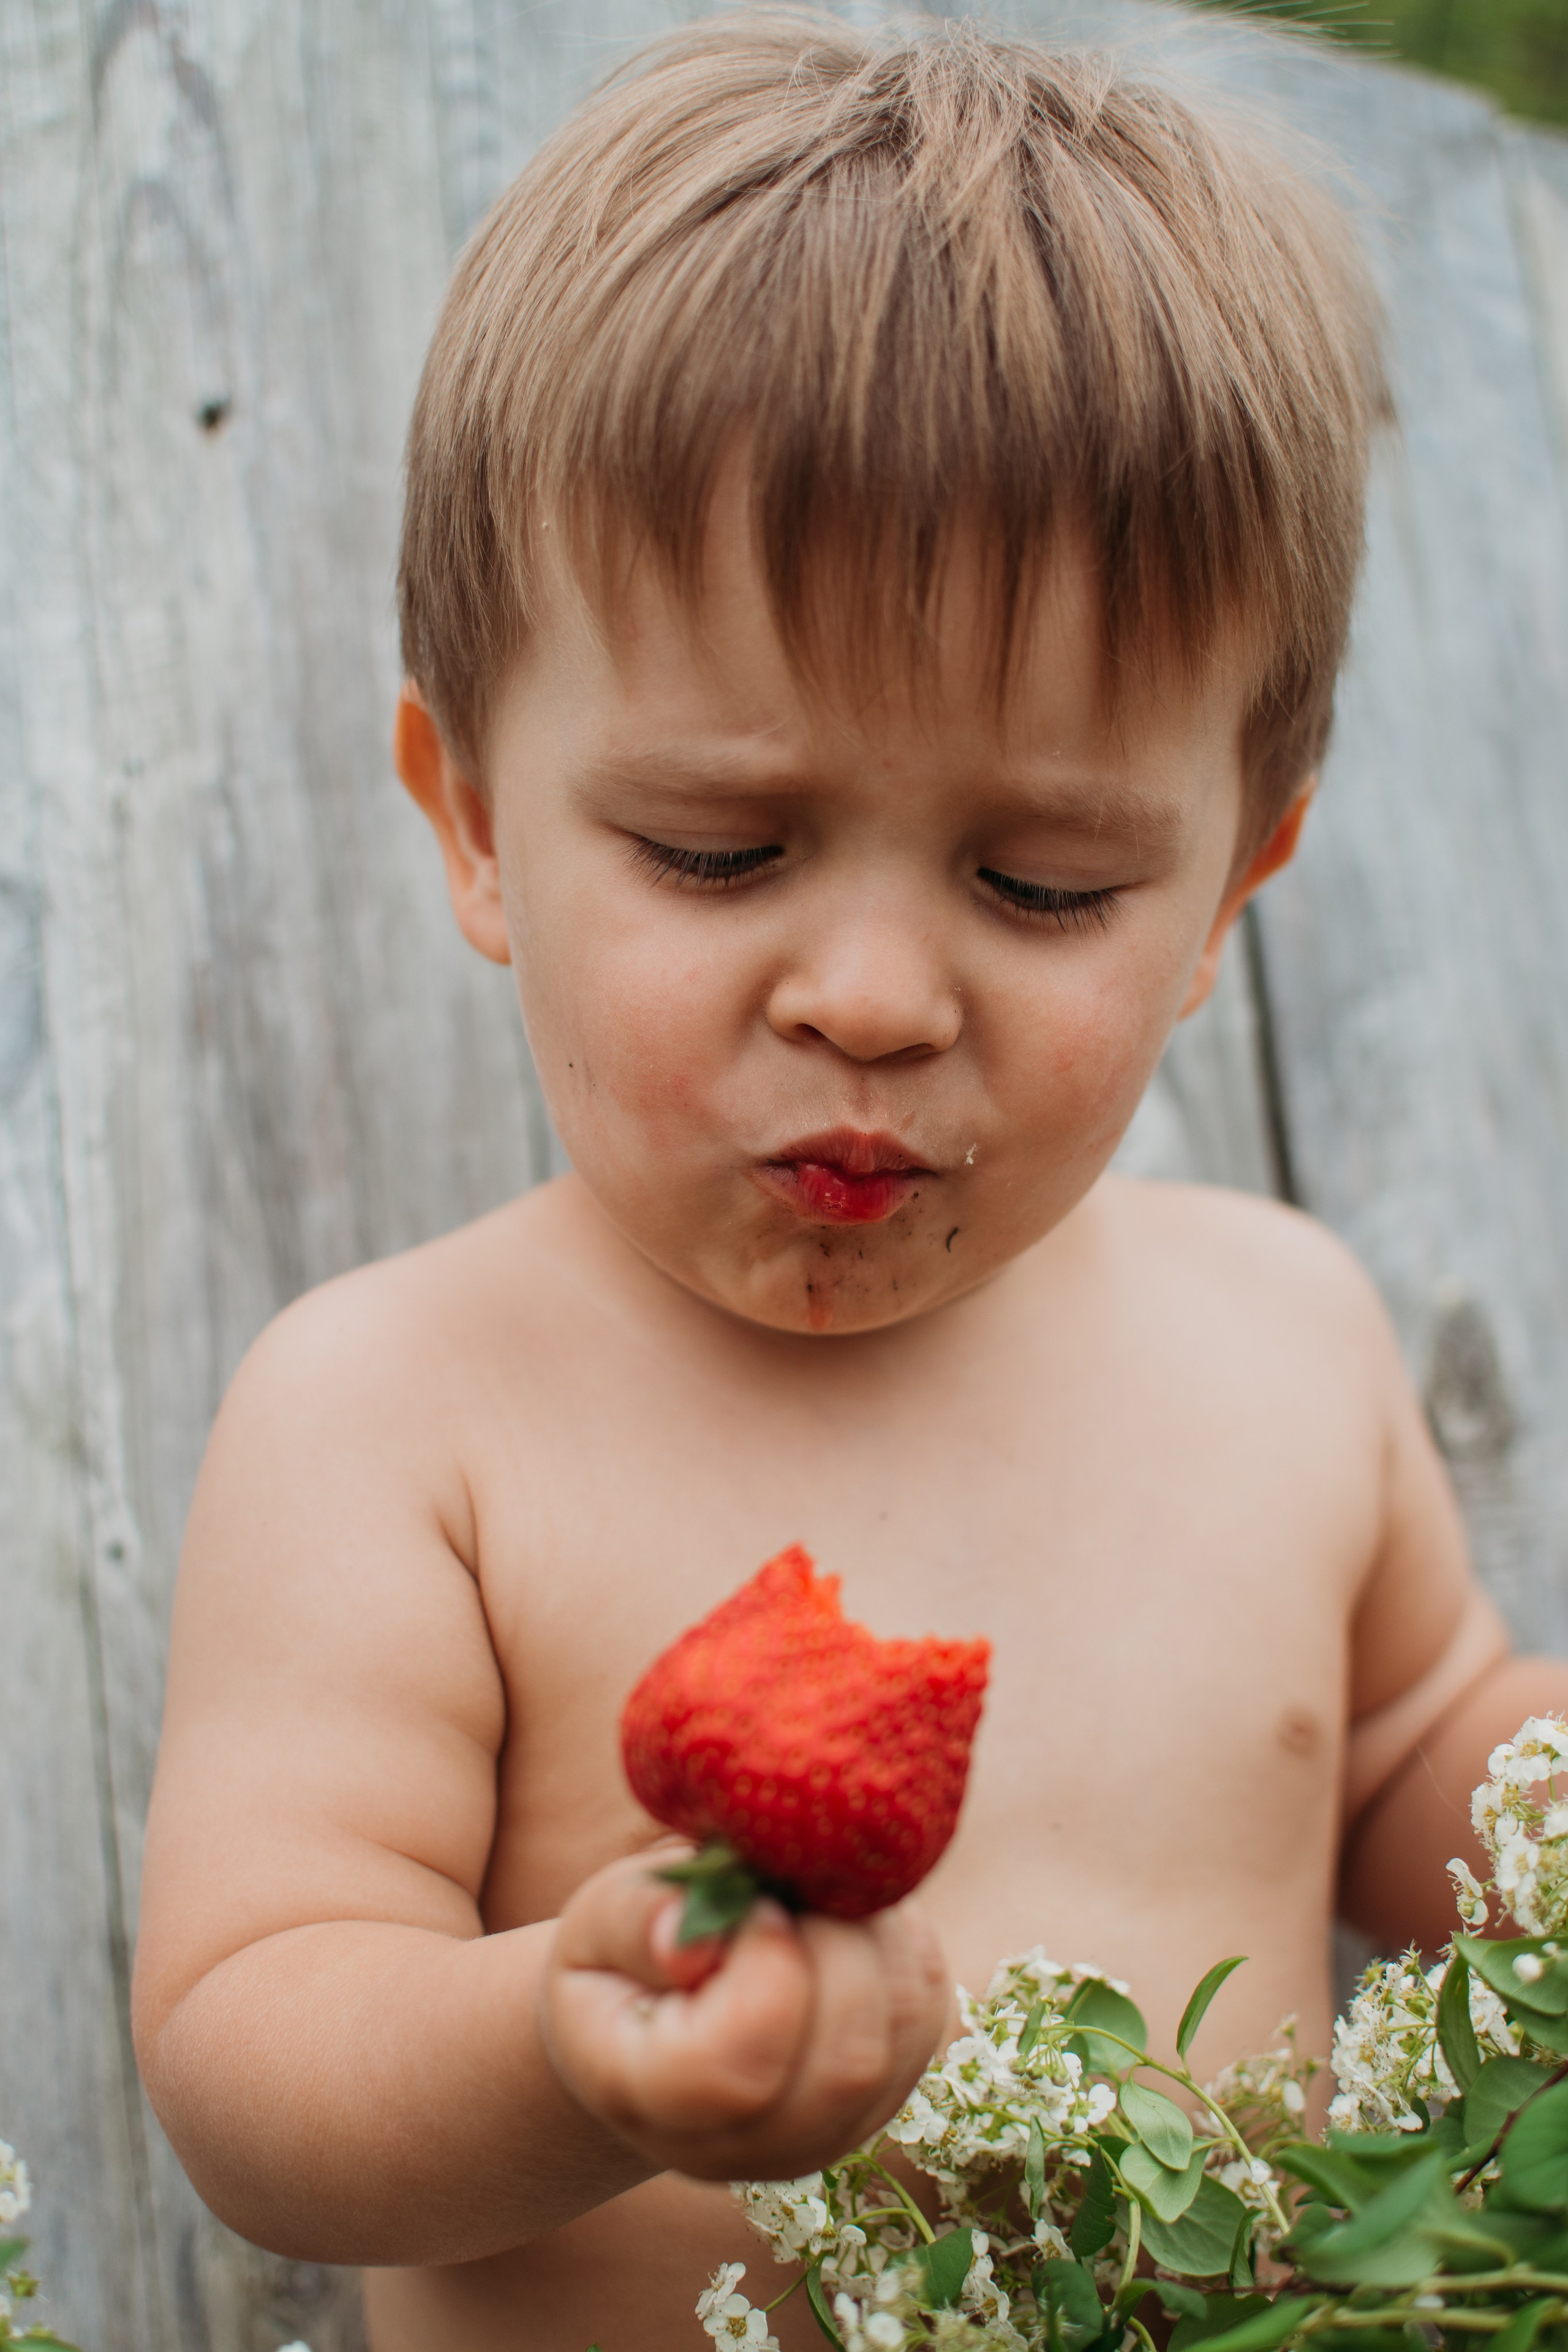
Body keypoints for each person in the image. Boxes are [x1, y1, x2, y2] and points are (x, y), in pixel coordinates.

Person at [129, 15, 1568, 2348]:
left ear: (1231, 894)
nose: (879, 996)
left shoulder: (1286, 1335)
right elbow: (251, 2040)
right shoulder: (402, 1417)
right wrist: (572, 2051)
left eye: (1047, 882)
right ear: (478, 820)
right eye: (721, 848)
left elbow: (1425, 1757)